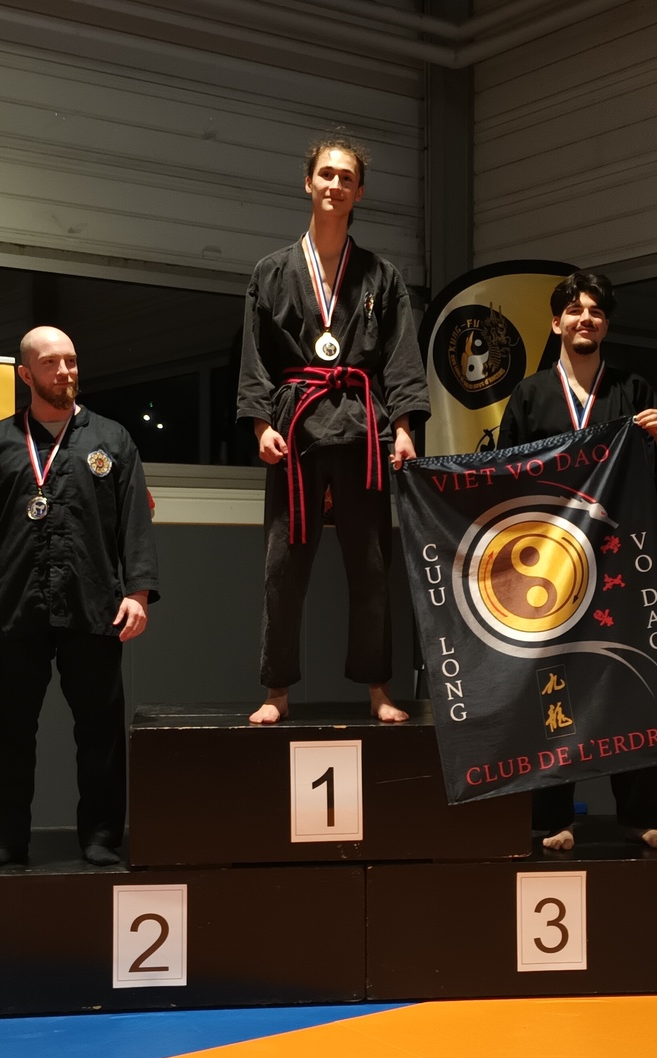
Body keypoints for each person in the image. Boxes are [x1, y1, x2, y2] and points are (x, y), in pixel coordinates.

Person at [0, 326, 159, 870]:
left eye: (71, 361)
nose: (65, 371)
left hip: (93, 603)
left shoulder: (112, 439)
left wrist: (137, 591)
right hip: (16, 603)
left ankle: (102, 835)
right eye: (51, 363)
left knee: (100, 729)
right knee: (7, 730)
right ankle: (5, 840)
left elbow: (134, 520)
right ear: (26, 374)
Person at [238, 131, 430, 725]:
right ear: (308, 182)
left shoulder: (381, 275)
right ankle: (276, 691)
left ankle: (378, 689)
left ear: (359, 192)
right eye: (327, 174)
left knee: (371, 566)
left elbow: (400, 356)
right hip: (295, 429)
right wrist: (260, 425)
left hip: (364, 431)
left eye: (347, 177)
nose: (336, 184)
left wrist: (404, 427)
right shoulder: (271, 271)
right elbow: (255, 356)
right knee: (283, 567)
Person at [497, 271, 657, 853]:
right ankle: (552, 817)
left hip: (622, 561)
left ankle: (641, 815)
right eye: (576, 310)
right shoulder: (530, 394)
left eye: (597, 311)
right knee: (553, 685)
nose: (587, 319)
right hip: (550, 565)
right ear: (556, 322)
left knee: (631, 679)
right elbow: (504, 476)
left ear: (606, 324)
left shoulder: (633, 388)